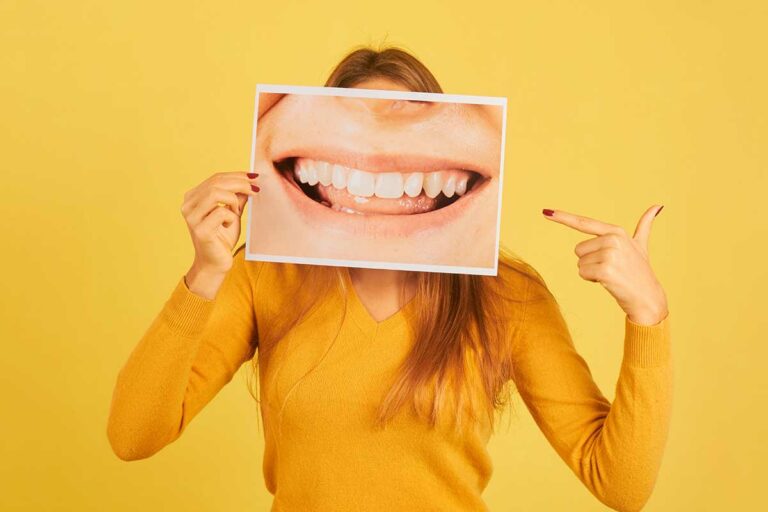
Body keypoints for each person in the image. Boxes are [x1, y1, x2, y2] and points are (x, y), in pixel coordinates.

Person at [107, 46, 672, 512]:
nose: (378, 156)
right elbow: (133, 436)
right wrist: (205, 273)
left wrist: (648, 316)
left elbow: (619, 485)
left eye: (408, 119)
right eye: (351, 124)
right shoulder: (265, 275)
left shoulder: (507, 294)